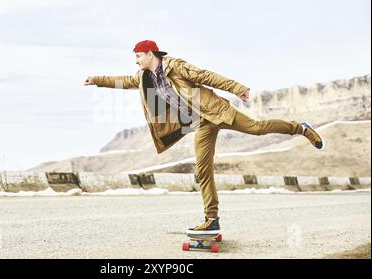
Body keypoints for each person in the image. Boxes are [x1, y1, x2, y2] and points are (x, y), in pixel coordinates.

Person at [84, 39, 324, 234]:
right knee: (202, 169)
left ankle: (299, 128)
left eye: (137, 56)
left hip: (216, 111)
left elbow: (206, 76)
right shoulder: (145, 77)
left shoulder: (175, 66)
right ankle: (212, 219)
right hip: (200, 124)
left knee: (257, 128)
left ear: (149, 53)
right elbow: (124, 81)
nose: (135, 61)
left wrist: (236, 88)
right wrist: (97, 81)